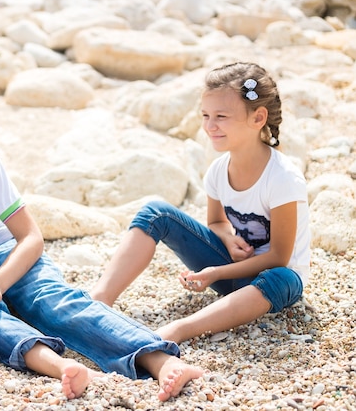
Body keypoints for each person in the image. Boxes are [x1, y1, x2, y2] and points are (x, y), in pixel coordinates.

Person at [0, 46, 204, 400]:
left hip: (6, 256)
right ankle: (57, 364)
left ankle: (161, 361)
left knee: (55, 304)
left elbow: (31, 237)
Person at [90, 62, 311, 345]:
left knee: (281, 277)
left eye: (221, 116)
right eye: (205, 115)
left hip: (271, 284)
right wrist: (228, 239)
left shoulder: (283, 178)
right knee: (155, 213)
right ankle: (98, 301)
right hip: (231, 267)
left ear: (258, 118)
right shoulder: (219, 170)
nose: (209, 126)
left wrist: (214, 273)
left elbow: (280, 257)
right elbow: (216, 223)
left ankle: (179, 330)